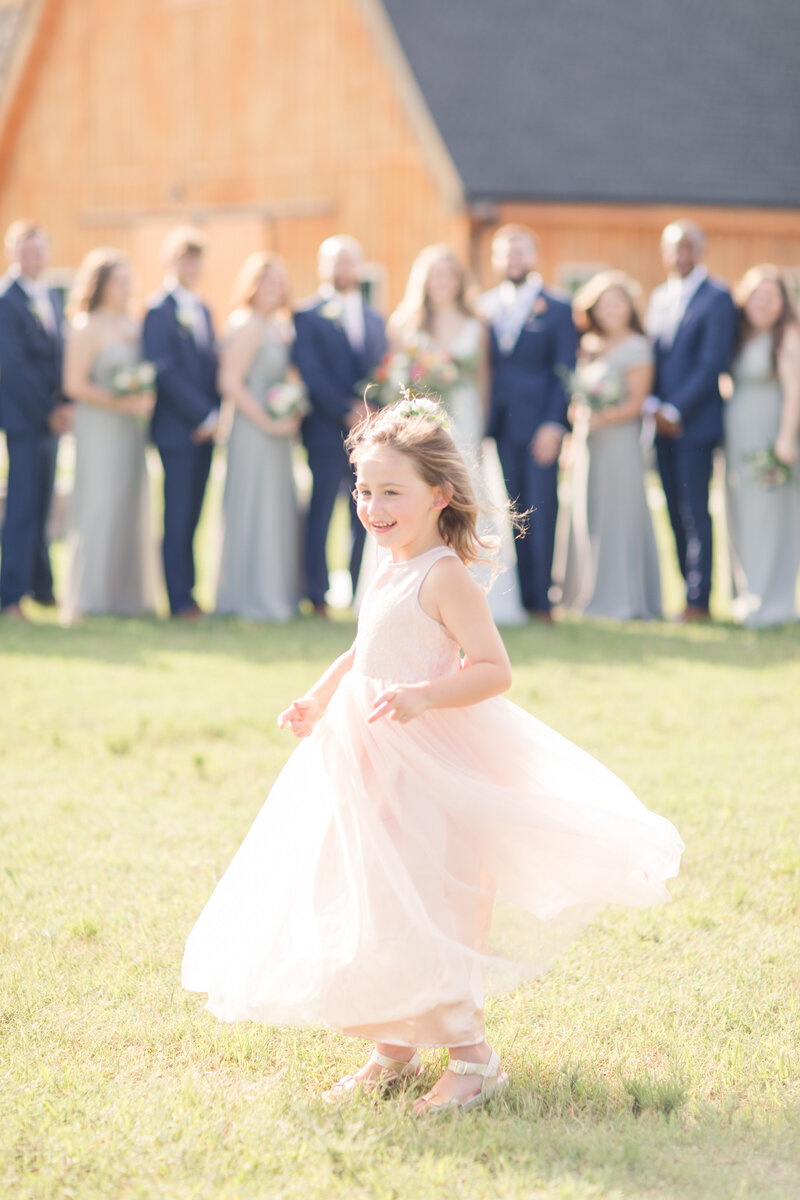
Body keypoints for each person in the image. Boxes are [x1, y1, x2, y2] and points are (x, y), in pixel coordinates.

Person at [182, 395, 683, 1115]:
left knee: (431, 904)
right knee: (375, 898)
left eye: (392, 492)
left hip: (424, 763)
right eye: (364, 490)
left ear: (438, 495)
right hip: (365, 757)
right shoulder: (387, 561)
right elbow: (364, 647)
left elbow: (493, 669)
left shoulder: (443, 574)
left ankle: (474, 1059)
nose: (373, 506)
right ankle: (393, 1043)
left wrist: (425, 694)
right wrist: (320, 697)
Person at [386, 243, 525, 623]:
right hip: (419, 420)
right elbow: (395, 377)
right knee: (416, 494)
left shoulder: (476, 325)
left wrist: (478, 429)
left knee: (464, 498)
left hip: (463, 418)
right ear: (424, 280)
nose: (443, 282)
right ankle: (410, 592)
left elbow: (483, 379)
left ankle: (479, 596)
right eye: (436, 274)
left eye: (450, 274)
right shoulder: (405, 323)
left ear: (459, 280)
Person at [479, 225, 576, 620]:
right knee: (508, 510)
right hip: (498, 426)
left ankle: (541, 599)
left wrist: (555, 425)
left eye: (520, 252)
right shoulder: (484, 306)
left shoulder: (556, 306)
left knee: (541, 508)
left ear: (533, 257)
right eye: (505, 253)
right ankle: (516, 597)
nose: (513, 259)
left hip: (540, 426)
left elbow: (565, 370)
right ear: (496, 260)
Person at [646, 221, 736, 621]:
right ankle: (685, 590)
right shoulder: (659, 297)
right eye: (673, 248)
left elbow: (712, 361)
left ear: (700, 250)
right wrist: (652, 405)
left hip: (694, 424)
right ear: (664, 252)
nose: (680, 254)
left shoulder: (717, 297)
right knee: (670, 508)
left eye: (688, 247)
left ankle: (700, 601)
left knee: (696, 511)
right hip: (659, 424)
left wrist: (674, 409)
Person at [293, 235, 386, 615]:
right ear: (322, 267)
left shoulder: (374, 317)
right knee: (321, 512)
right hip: (325, 429)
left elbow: (382, 369)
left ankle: (360, 589)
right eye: (335, 261)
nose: (343, 269)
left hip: (371, 435)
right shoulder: (307, 315)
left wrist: (372, 412)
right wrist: (346, 410)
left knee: (367, 511)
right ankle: (316, 592)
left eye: (349, 261)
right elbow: (311, 372)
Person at [61, 248, 157, 622]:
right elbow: (74, 383)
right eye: (119, 280)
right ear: (99, 283)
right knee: (99, 505)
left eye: (129, 279)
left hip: (130, 431)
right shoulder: (87, 325)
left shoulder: (134, 325)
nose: (126, 287)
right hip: (99, 427)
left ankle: (126, 597)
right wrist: (122, 404)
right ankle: (89, 598)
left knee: (130, 503)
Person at [561, 271, 662, 620]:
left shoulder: (638, 346)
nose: (610, 309)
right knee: (586, 510)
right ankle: (582, 591)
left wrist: (603, 418)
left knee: (618, 513)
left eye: (617, 302)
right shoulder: (589, 345)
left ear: (630, 306)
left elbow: (637, 403)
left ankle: (622, 597)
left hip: (619, 441)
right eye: (603, 303)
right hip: (589, 443)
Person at [215, 253, 302, 621]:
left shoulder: (278, 327)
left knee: (275, 507)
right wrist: (267, 422)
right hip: (253, 430)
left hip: (277, 429)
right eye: (265, 281)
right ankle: (247, 596)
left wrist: (291, 408)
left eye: (278, 282)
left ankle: (275, 592)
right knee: (253, 503)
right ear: (251, 287)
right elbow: (230, 382)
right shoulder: (247, 326)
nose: (272, 289)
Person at [143, 227, 220, 619]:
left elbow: (212, 370)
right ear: (170, 262)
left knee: (194, 516)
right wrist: (201, 414)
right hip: (177, 431)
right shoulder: (158, 310)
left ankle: (190, 593)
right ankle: (176, 599)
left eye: (196, 259)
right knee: (175, 516)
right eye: (183, 259)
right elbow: (164, 370)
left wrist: (215, 415)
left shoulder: (204, 309)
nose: (191, 266)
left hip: (206, 432)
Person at [0, 219, 72, 619]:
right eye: (25, 250)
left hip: (52, 418)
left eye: (39, 250)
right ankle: (10, 594)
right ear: (12, 253)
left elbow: (59, 356)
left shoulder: (52, 295)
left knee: (44, 502)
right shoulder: (5, 300)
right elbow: (11, 366)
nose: (34, 257)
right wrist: (48, 410)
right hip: (25, 419)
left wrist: (66, 403)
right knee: (23, 505)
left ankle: (42, 586)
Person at [724, 265, 800, 626]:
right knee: (742, 518)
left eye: (770, 297)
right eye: (756, 295)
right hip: (739, 442)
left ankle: (773, 602)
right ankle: (749, 594)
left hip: (770, 444)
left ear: (782, 303)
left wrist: (785, 439)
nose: (762, 303)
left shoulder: (788, 337)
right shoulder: (742, 337)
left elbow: (794, 393)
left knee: (770, 519)